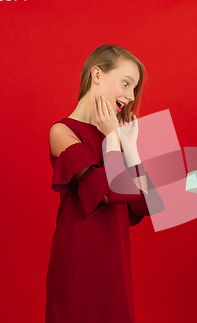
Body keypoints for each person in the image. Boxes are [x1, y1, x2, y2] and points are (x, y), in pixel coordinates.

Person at [46, 44, 163, 323]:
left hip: (115, 261)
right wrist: (112, 137)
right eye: (125, 83)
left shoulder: (115, 135)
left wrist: (130, 146)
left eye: (133, 88)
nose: (130, 96)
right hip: (80, 260)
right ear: (97, 74)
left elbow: (151, 204)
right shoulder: (62, 131)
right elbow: (113, 192)